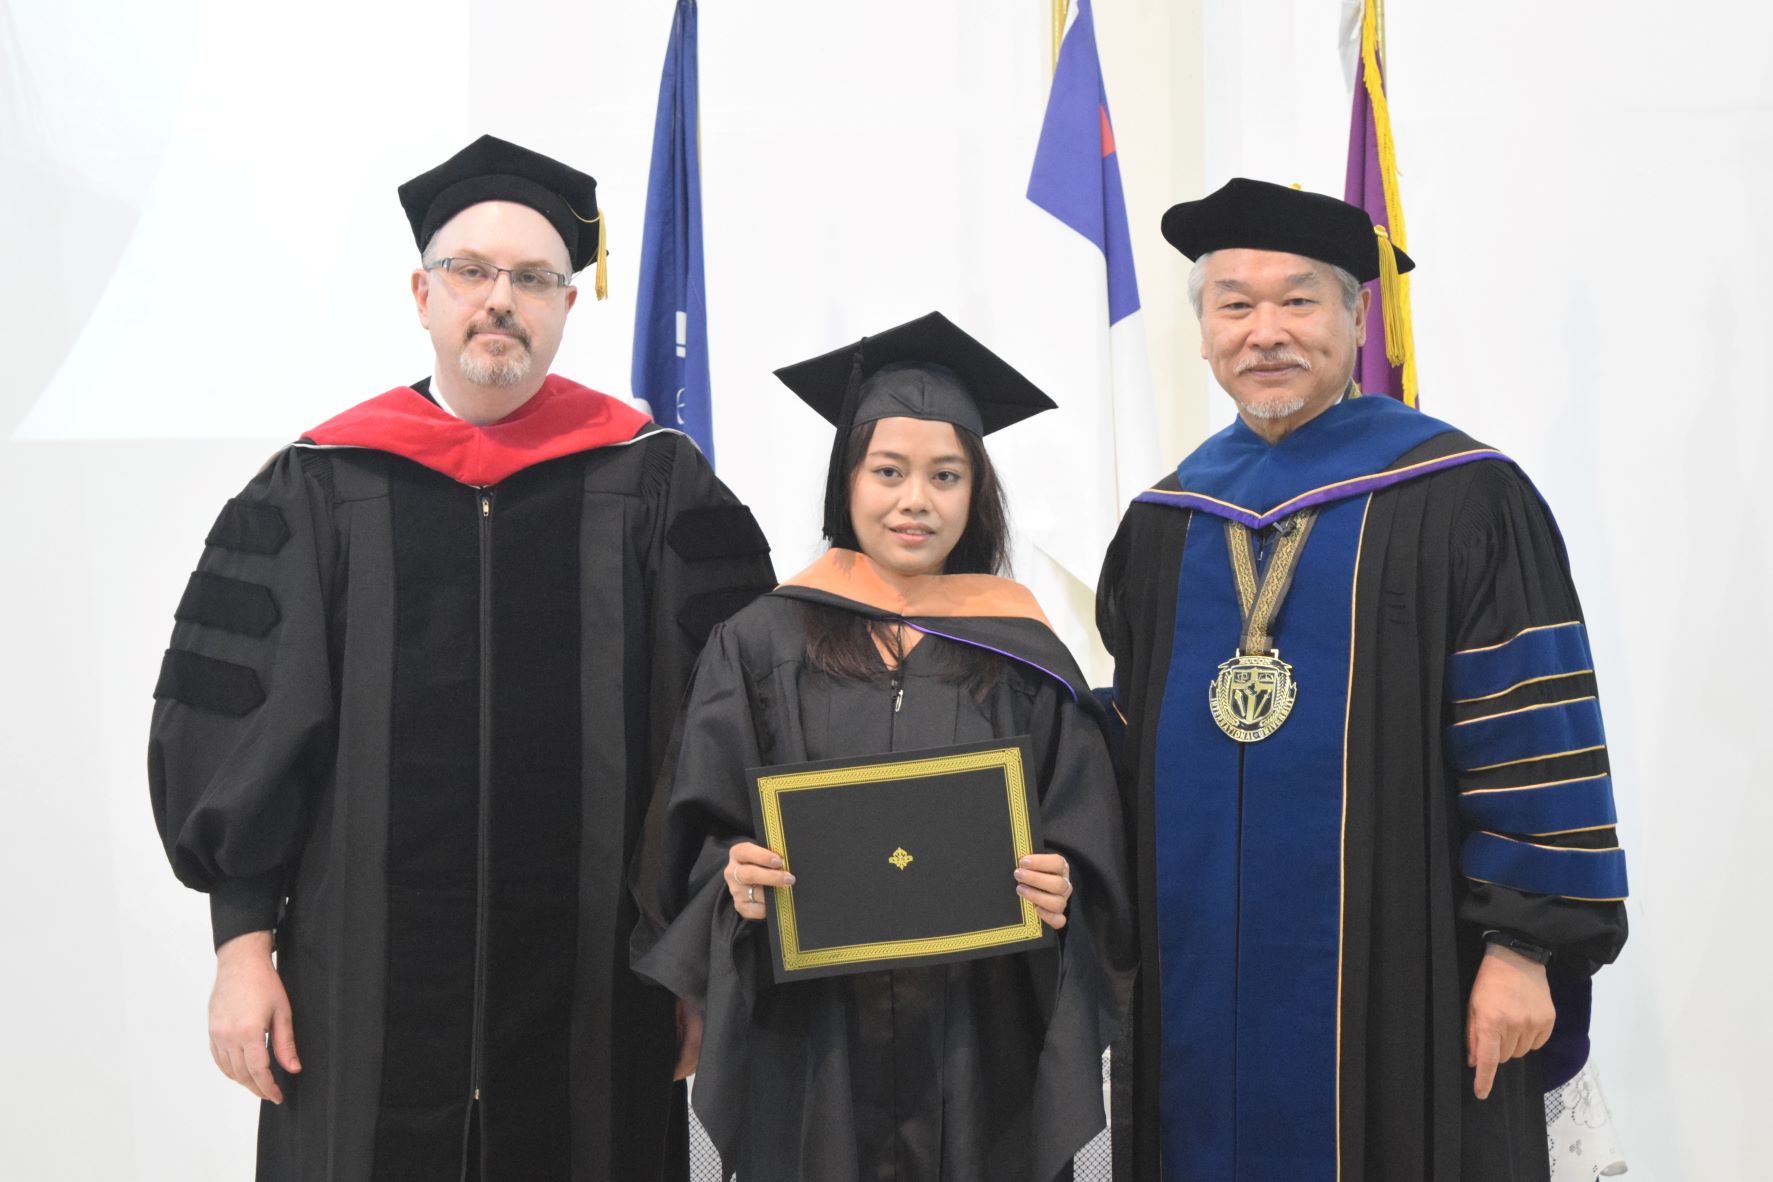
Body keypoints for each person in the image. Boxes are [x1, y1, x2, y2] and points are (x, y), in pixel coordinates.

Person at [148, 135, 775, 1181]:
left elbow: (728, 733)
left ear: (569, 305)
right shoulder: (316, 489)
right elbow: (236, 730)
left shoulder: (659, 489)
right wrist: (241, 945)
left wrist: (702, 957)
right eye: (472, 272)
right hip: (359, 995)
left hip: (599, 994)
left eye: (534, 278)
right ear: (422, 293)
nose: (501, 299)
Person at [1096, 179, 1629, 1181]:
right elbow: (1127, 739)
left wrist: (1522, 950)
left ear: (1354, 315)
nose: (1266, 332)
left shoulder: (1462, 497)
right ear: (1204, 330)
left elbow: (1532, 735)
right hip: (1197, 978)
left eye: (1299, 301)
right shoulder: (1166, 523)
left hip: (1409, 975)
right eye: (1235, 304)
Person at [631, 312, 1134, 1182]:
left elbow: (1089, 851)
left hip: (978, 1040)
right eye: (888, 472)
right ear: (847, 482)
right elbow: (694, 835)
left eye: (945, 476)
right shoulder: (757, 644)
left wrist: (1064, 884)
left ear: (977, 492)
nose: (915, 501)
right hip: (813, 1039)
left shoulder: (1025, 655)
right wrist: (733, 885)